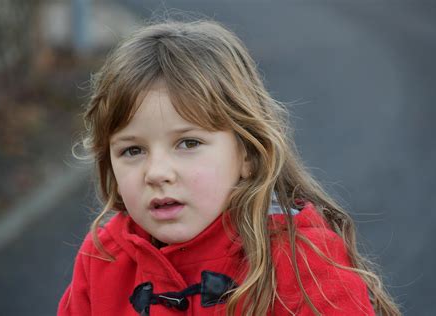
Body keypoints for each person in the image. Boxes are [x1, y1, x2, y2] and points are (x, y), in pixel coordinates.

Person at [58, 19, 400, 316]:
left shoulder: (301, 261)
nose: (157, 172)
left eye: (188, 143)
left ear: (248, 154)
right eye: (133, 150)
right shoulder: (103, 258)